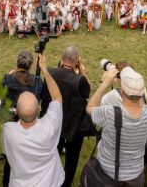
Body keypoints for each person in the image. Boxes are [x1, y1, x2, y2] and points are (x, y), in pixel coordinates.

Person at [86, 65, 147, 186]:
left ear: (121, 91)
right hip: (135, 174)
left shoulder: (109, 113)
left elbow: (90, 107)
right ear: (142, 93)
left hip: (106, 172)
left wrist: (105, 84)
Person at [1, 53, 64, 187]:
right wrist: (44, 69)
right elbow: (57, 98)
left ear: (16, 111)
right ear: (39, 108)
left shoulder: (7, 131)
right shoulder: (50, 127)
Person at [41, 46, 91, 187]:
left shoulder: (49, 72)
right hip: (72, 125)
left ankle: (50, 179)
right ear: (77, 60)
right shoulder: (80, 79)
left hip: (53, 121)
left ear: (61, 58)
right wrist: (83, 71)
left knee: (52, 154)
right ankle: (65, 183)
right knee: (72, 159)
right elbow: (87, 92)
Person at [1, 50, 44, 187]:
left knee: (11, 158)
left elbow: (1, 96)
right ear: (30, 65)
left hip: (12, 121)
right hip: (28, 124)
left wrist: (9, 76)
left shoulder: (8, 78)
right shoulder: (37, 81)